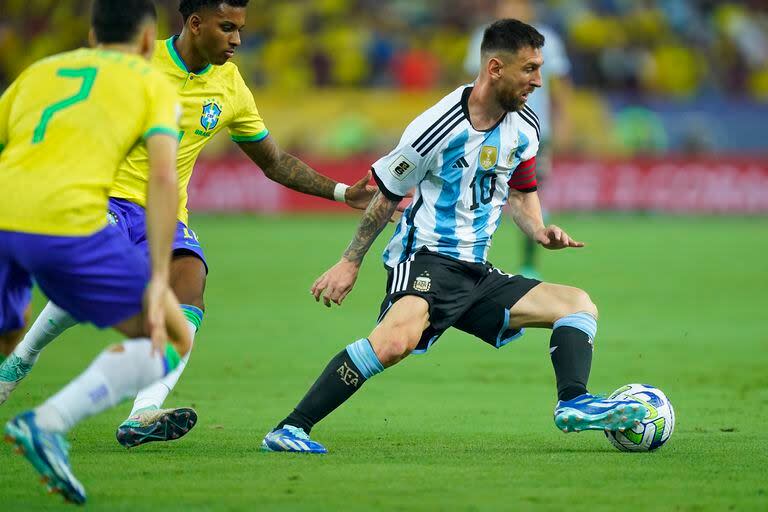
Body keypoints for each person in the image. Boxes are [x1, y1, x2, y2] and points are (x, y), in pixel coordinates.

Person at [0, 0, 380, 449]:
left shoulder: (230, 86)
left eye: (240, 29)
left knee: (190, 287)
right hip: (104, 197)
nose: (237, 40)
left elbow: (273, 162)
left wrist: (341, 192)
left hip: (163, 214)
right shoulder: (138, 64)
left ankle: (143, 412)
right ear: (194, 24)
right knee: (98, 285)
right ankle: (21, 362)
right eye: (227, 28)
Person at [261, 18, 646, 454]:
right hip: (424, 258)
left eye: (540, 69)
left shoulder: (526, 127)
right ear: (496, 68)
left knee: (577, 305)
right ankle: (290, 429)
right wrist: (350, 261)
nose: (540, 81)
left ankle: (574, 401)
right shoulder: (436, 127)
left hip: (476, 272)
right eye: (530, 69)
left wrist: (539, 230)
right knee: (393, 343)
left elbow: (521, 192)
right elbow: (387, 196)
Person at [0, 0, 192, 503]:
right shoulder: (152, 83)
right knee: (173, 335)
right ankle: (48, 424)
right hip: (65, 223)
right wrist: (155, 276)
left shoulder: (38, 73)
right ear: (150, 41)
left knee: (4, 341)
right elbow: (163, 178)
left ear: (90, 35)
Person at [465, 0, 572, 279]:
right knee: (476, 192)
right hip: (486, 130)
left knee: (530, 194)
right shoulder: (483, 39)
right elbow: (471, 84)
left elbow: (559, 88)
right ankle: (468, 256)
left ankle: (529, 264)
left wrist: (563, 124)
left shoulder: (547, 41)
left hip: (534, 135)